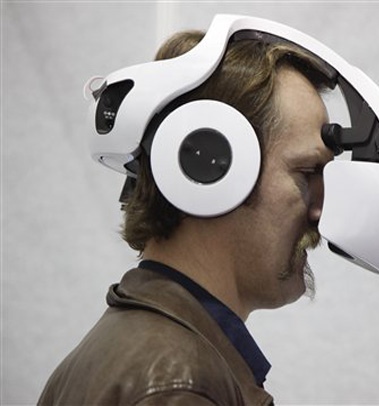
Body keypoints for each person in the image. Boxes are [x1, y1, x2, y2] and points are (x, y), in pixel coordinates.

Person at [38, 28, 335, 405]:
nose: (320, 210)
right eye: (307, 173)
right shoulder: (180, 385)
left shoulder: (128, 349)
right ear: (215, 170)